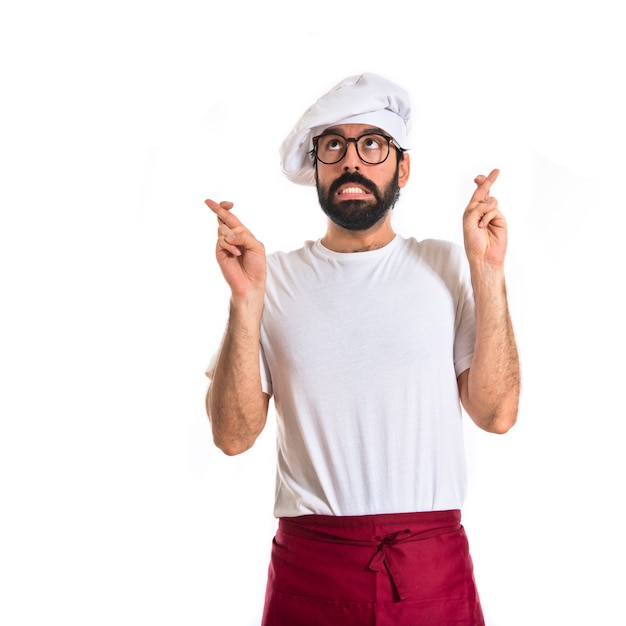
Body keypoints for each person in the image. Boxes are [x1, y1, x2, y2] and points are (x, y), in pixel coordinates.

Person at [204, 73, 520, 626]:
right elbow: (232, 437)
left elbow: (496, 415)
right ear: (318, 168)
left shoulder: (450, 266)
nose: (352, 160)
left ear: (401, 166)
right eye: (334, 145)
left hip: (429, 565)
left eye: (372, 143)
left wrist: (488, 272)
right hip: (312, 568)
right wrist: (245, 301)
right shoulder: (269, 280)